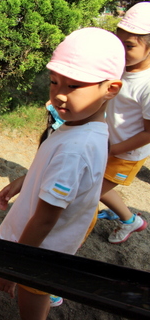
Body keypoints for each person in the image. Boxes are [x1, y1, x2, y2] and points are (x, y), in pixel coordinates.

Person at [0, 27, 125, 320]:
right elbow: (54, 168)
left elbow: (45, 218)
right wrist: (23, 181)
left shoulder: (75, 149)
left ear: (110, 89)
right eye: (54, 82)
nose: (59, 95)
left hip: (43, 248)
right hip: (53, 240)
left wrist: (15, 266)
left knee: (33, 293)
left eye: (74, 86)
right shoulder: (85, 125)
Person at [97, 2, 150, 244]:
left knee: (96, 189)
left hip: (127, 152)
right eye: (119, 43)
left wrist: (112, 150)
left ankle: (131, 222)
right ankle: (121, 213)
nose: (122, 51)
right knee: (97, 184)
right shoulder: (121, 67)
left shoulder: (147, 84)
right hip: (109, 142)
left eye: (129, 46)